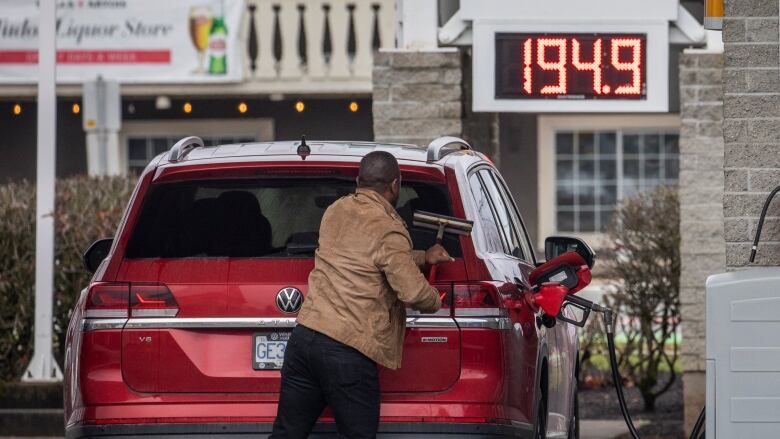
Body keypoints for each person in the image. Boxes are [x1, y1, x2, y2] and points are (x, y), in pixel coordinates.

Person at [270, 151, 452, 438]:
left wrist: (422, 256)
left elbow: (362, 254)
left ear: (358, 181)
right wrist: (435, 300)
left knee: (287, 433)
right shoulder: (388, 227)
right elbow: (413, 292)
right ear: (395, 185)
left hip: (305, 339)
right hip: (347, 350)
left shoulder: (335, 211)